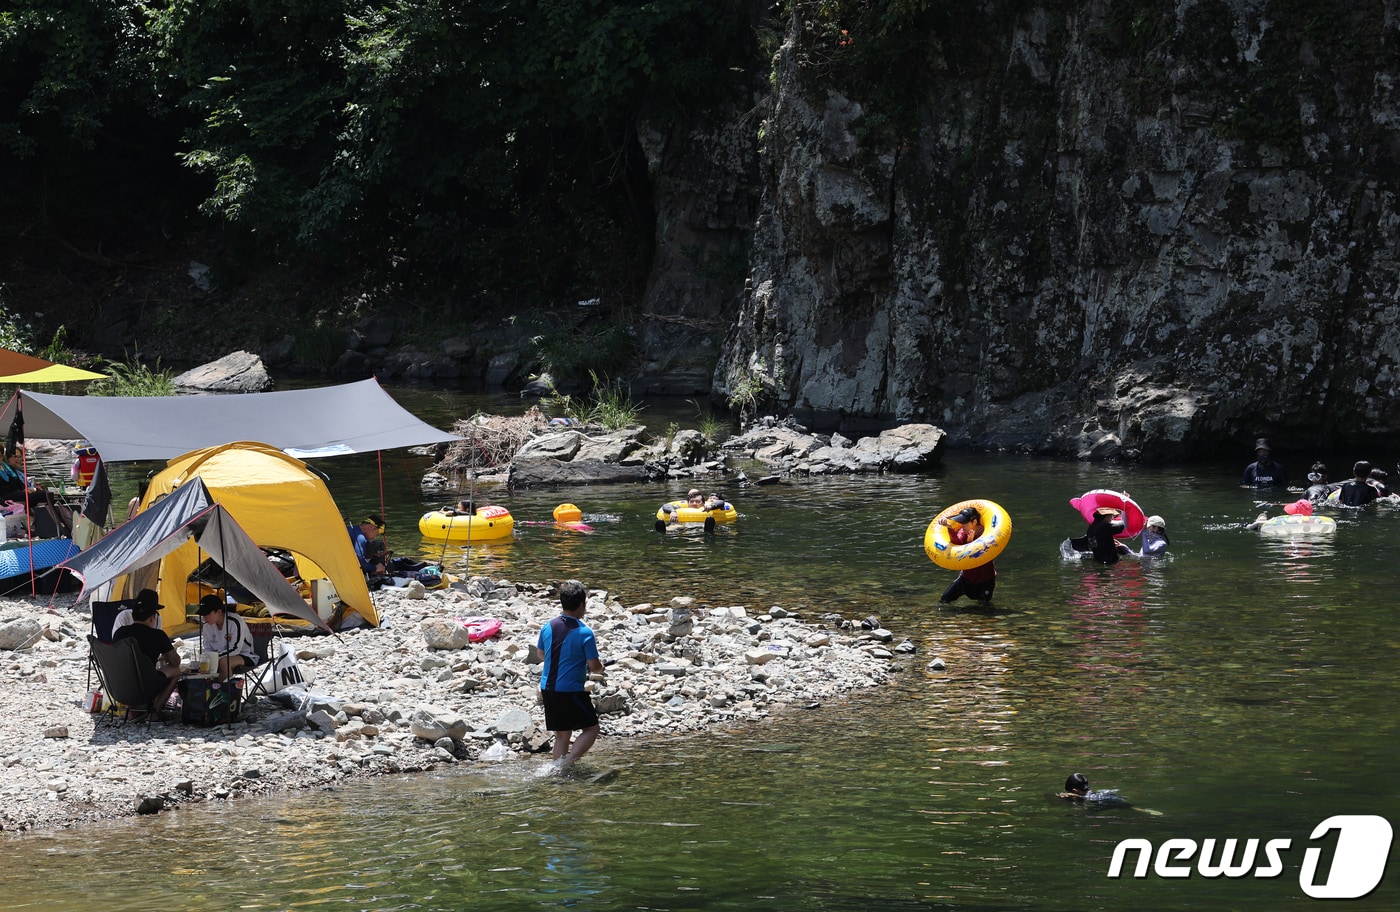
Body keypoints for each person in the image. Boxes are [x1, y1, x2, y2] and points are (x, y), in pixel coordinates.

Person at [535, 579, 605, 775]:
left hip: (547, 688)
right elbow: (595, 667)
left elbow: (542, 655)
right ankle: (567, 764)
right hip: (570, 691)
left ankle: (556, 771)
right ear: (582, 605)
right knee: (591, 729)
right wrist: (600, 668)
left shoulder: (547, 626)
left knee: (562, 734)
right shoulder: (585, 632)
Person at [112, 595, 182, 718]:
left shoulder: (120, 633)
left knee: (130, 671)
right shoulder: (157, 635)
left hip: (119, 688)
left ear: (133, 616)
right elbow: (175, 662)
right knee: (175, 670)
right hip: (145, 688)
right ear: (152, 618)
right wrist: (165, 655)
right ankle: (154, 713)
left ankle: (132, 711)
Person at [937, 506, 996, 603]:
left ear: (974, 522)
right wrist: (950, 528)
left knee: (984, 608)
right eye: (961, 522)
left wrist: (972, 542)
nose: (962, 525)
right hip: (966, 578)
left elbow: (983, 551)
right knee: (944, 599)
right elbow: (957, 545)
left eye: (965, 523)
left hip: (985, 580)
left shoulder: (986, 534)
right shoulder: (963, 531)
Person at [196, 595, 258, 681]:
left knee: (224, 662)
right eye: (203, 615)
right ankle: (210, 689)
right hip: (218, 656)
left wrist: (214, 658)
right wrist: (208, 659)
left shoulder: (234, 621)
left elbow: (236, 649)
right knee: (204, 666)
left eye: (207, 614)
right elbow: (207, 647)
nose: (204, 617)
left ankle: (225, 692)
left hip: (244, 655)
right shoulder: (206, 626)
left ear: (219, 612)